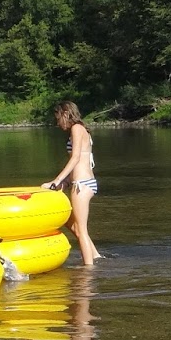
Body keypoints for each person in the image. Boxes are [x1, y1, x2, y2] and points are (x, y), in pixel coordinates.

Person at [43, 100, 102, 266]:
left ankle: (88, 270)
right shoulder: (80, 130)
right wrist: (65, 183)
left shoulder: (77, 128)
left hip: (82, 185)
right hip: (80, 182)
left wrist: (57, 180)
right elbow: (80, 160)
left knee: (81, 230)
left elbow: (76, 158)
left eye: (58, 117)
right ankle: (96, 256)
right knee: (72, 223)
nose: (57, 122)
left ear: (66, 114)